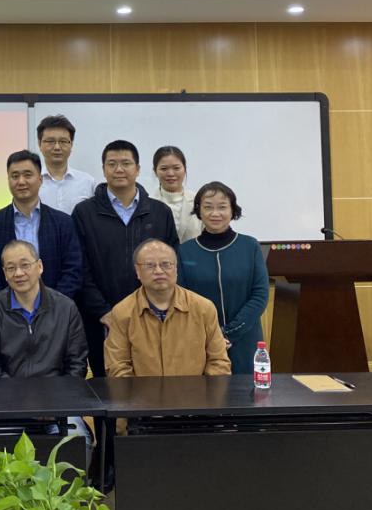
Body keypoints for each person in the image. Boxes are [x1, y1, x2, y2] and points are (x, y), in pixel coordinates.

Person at [73, 140, 179, 376]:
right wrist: (103, 311)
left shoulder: (160, 212)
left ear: (138, 169)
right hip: (101, 318)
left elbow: (172, 265)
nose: (119, 169)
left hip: (153, 314)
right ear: (103, 169)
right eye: (112, 164)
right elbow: (80, 267)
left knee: (151, 380)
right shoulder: (84, 213)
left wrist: (159, 306)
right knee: (106, 382)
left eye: (126, 163)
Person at [177, 181, 269, 374]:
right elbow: (182, 298)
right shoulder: (185, 251)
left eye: (222, 207)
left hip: (245, 339)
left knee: (247, 391)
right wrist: (211, 336)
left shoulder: (250, 246)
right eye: (208, 207)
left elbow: (260, 295)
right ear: (198, 211)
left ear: (232, 210)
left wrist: (228, 333)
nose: (215, 213)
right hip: (200, 342)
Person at [104, 239, 231, 377]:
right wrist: (138, 392)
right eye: (149, 265)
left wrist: (203, 390)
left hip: (196, 391)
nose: (158, 271)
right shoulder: (122, 312)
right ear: (138, 271)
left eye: (166, 264)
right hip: (141, 391)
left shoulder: (203, 308)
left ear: (176, 269)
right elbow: (118, 367)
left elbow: (218, 362)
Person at [0, 150, 82, 299]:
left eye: (28, 175)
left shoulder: (63, 222)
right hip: (6, 309)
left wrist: (55, 305)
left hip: (56, 307)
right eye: (15, 176)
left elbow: (73, 269)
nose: (21, 181)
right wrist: (5, 305)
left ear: (40, 179)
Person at [0, 240, 88, 378]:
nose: (18, 273)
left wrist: (60, 390)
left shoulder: (66, 308)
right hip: (8, 389)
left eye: (25, 265)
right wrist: (12, 390)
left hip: (56, 389)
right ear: (5, 273)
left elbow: (77, 364)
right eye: (11, 268)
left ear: (40, 266)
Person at [36, 115, 96, 214]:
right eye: (50, 141)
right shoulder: (31, 183)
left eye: (63, 141)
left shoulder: (88, 182)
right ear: (39, 144)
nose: (57, 147)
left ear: (71, 144)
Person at [150, 146, 203, 243]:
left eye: (176, 168)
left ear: (185, 169)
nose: (170, 173)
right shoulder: (146, 204)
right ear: (155, 171)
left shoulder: (199, 201)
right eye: (164, 168)